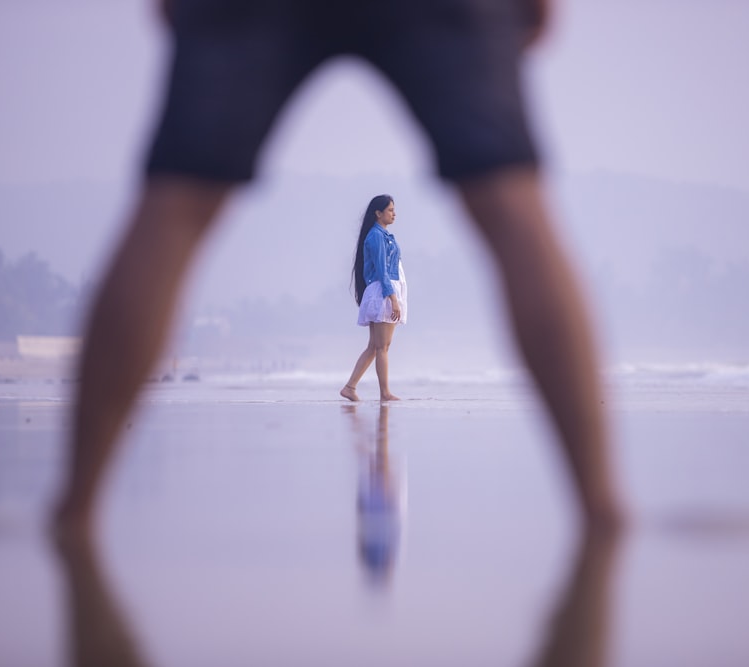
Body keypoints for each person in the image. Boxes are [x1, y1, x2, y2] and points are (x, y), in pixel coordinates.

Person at [53, 0, 624, 537]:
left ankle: (76, 508)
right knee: (512, 204)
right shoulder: (380, 238)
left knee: (174, 208)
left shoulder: (381, 235)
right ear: (381, 211)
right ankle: (601, 507)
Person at [341, 195, 407, 402]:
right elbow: (381, 270)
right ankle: (384, 392)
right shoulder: (376, 236)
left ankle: (350, 387)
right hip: (383, 292)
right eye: (390, 210)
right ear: (378, 213)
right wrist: (393, 298)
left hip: (385, 291)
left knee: (375, 346)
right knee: (382, 347)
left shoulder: (383, 235)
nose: (394, 213)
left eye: (394, 210)